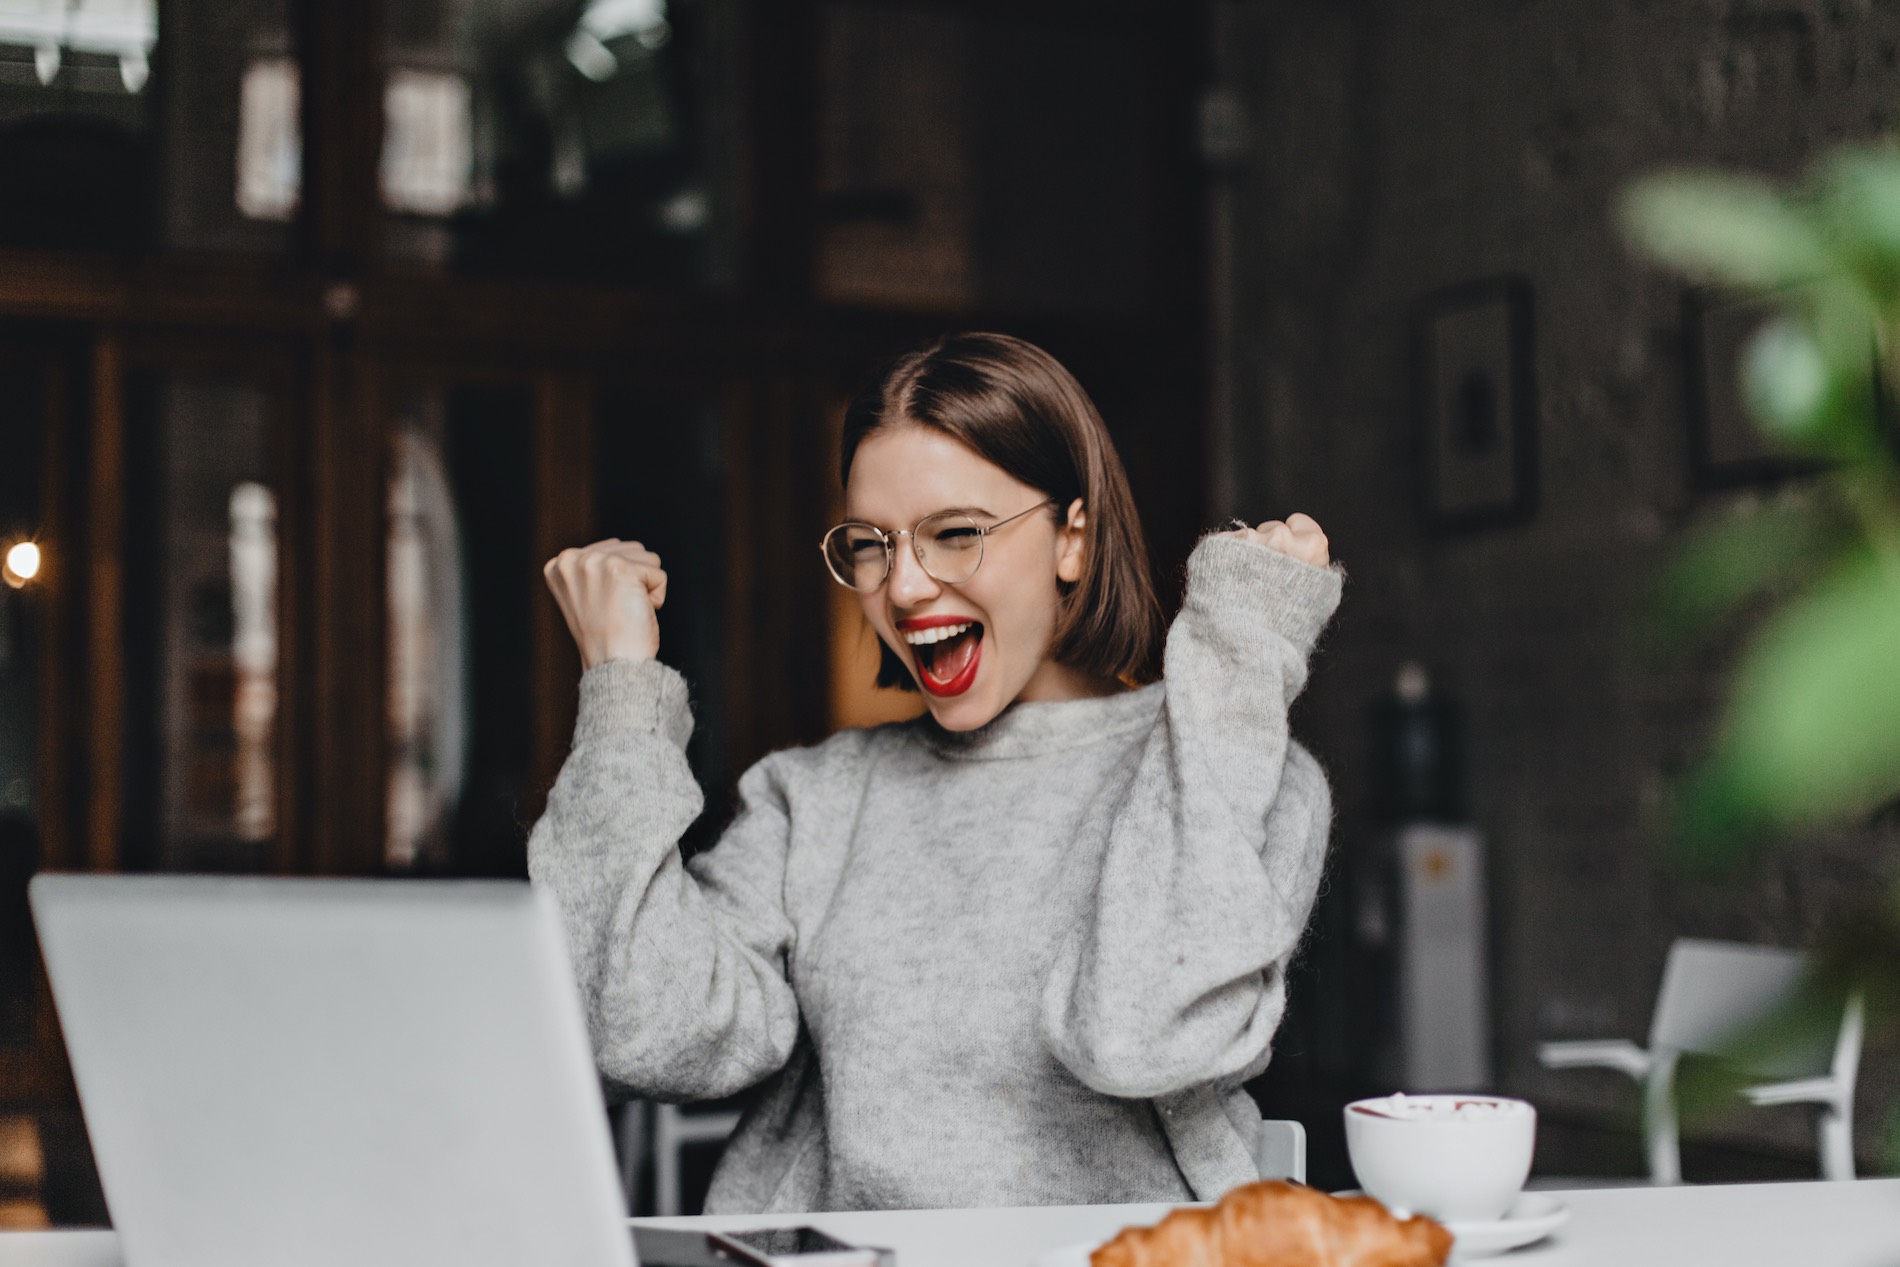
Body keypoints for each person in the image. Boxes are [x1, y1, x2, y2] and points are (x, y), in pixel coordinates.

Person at [530, 332, 1342, 1214]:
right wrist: (620, 693)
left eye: (955, 534)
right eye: (872, 545)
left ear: (1073, 537)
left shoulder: (1235, 767)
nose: (905, 587)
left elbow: (1142, 1035)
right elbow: (646, 1033)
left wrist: (1237, 654)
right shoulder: (815, 800)